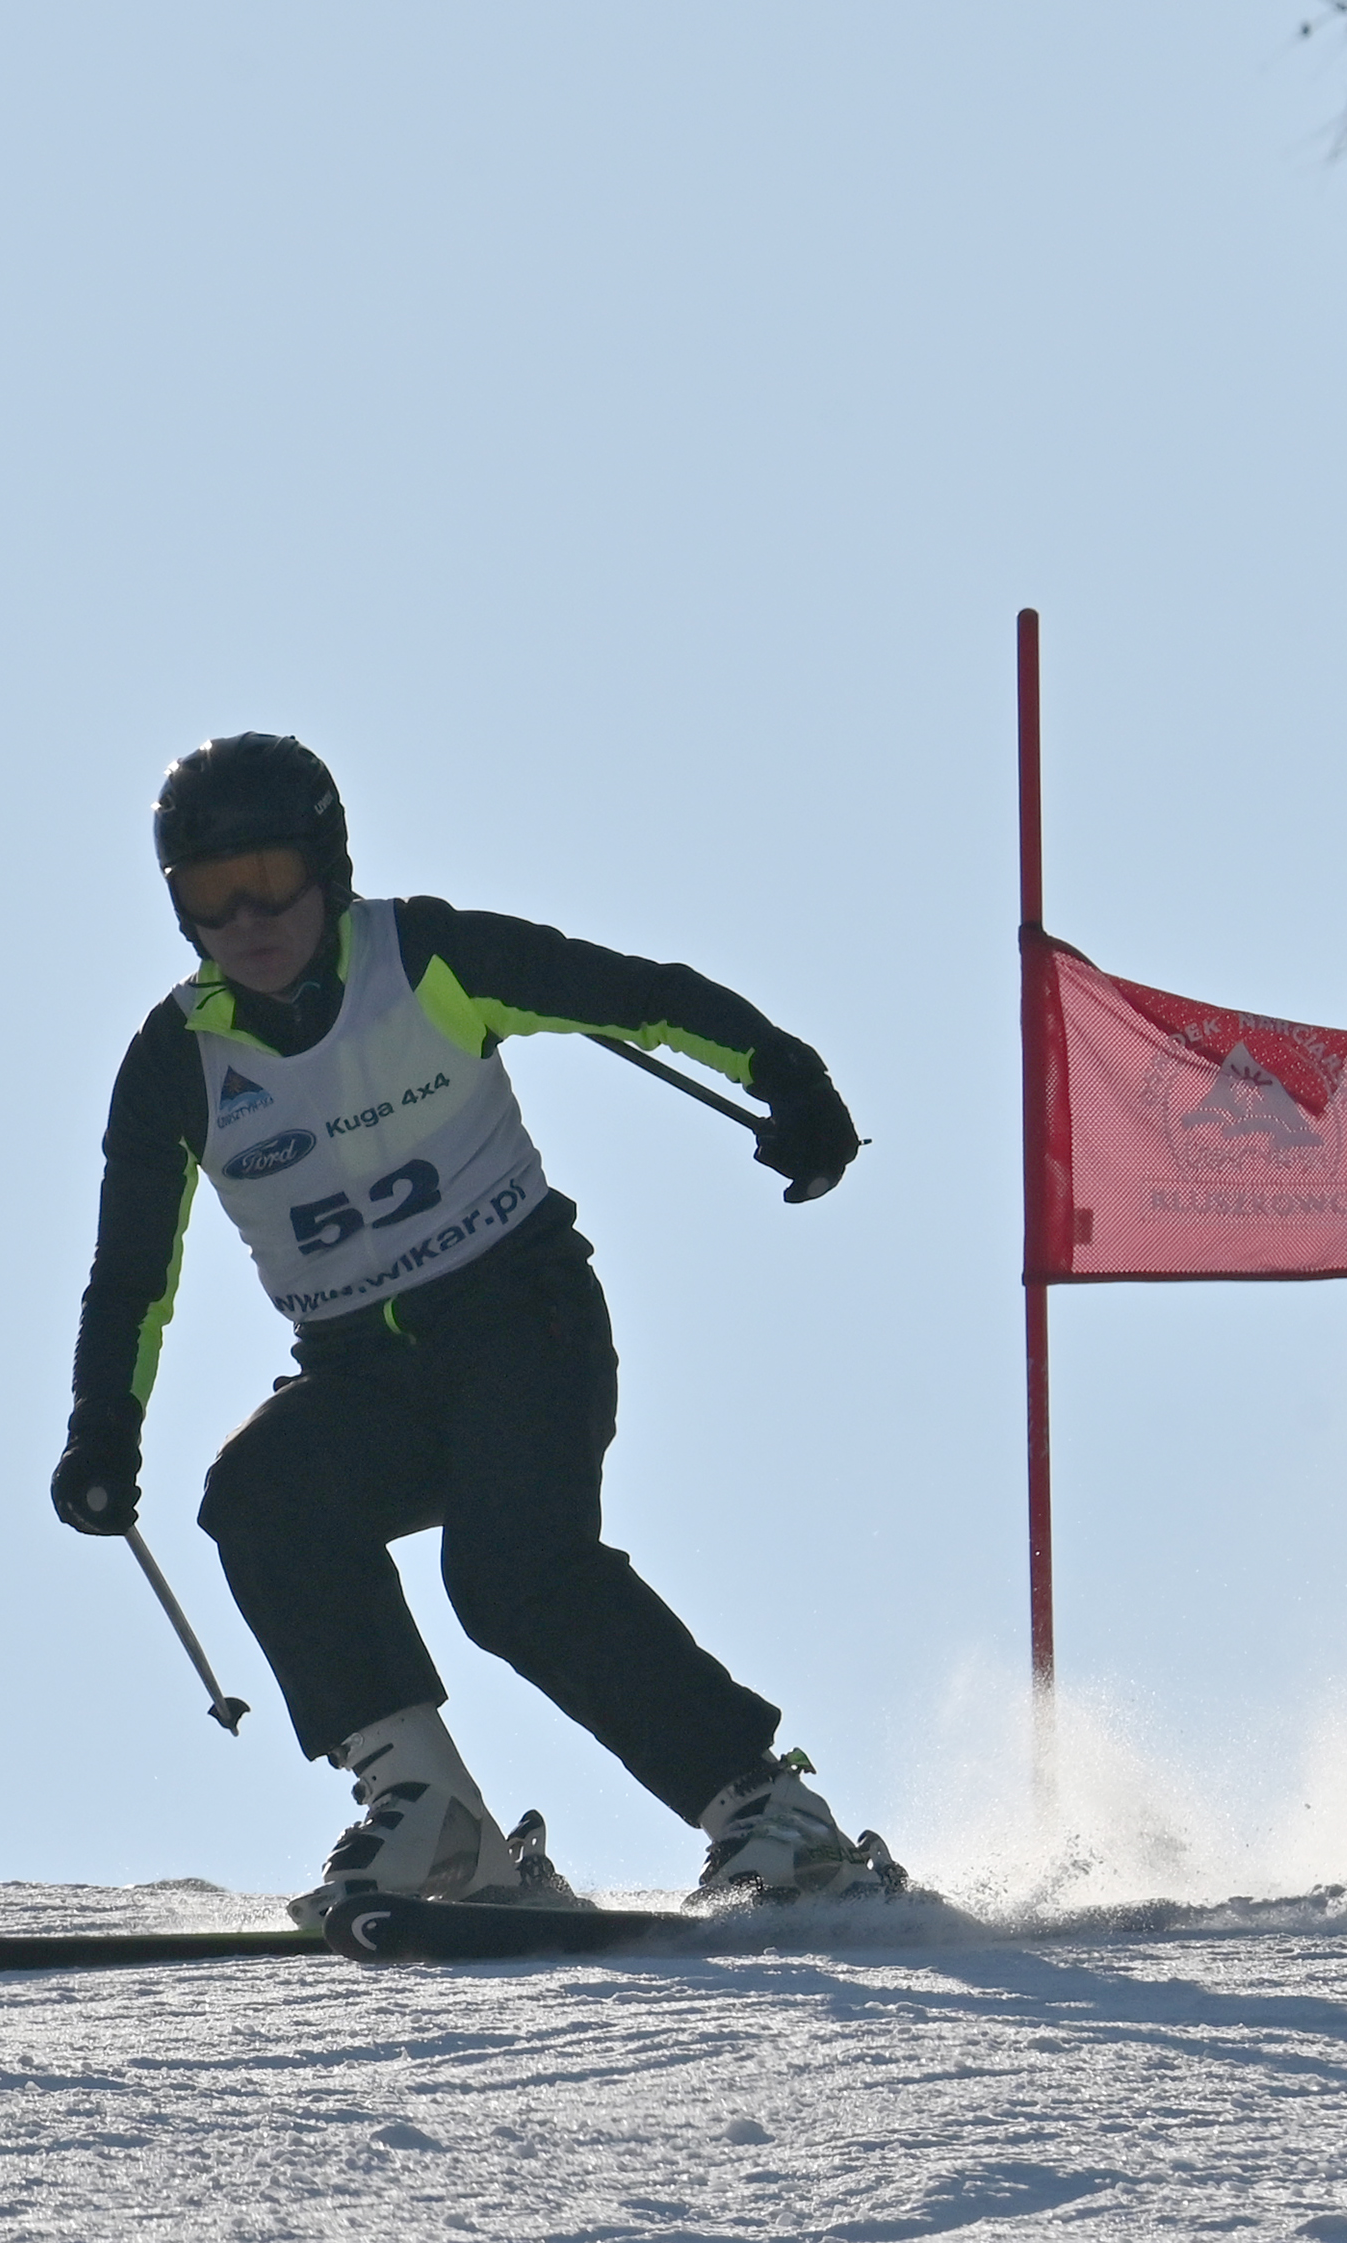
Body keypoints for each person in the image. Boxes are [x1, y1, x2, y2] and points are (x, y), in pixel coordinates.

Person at [48, 732, 893, 1926]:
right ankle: (435, 1821)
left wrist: (787, 1077)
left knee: (511, 1577)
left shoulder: (425, 956)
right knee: (258, 1493)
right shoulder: (178, 1058)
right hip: (360, 1373)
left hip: (519, 1320)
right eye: (210, 893)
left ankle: (773, 1818)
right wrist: (102, 1435)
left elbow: (639, 996)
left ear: (329, 867)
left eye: (273, 877)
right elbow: (130, 1277)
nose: (249, 916)